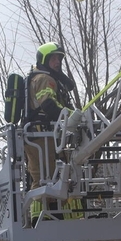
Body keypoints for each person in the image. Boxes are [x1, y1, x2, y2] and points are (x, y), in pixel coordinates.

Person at [25, 41, 78, 221]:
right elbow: (49, 105)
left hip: (45, 137)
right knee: (45, 178)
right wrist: (73, 117)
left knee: (52, 177)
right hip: (42, 138)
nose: (57, 62)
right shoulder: (43, 79)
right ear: (44, 60)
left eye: (59, 59)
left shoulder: (45, 78)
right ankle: (41, 218)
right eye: (53, 59)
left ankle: (52, 215)